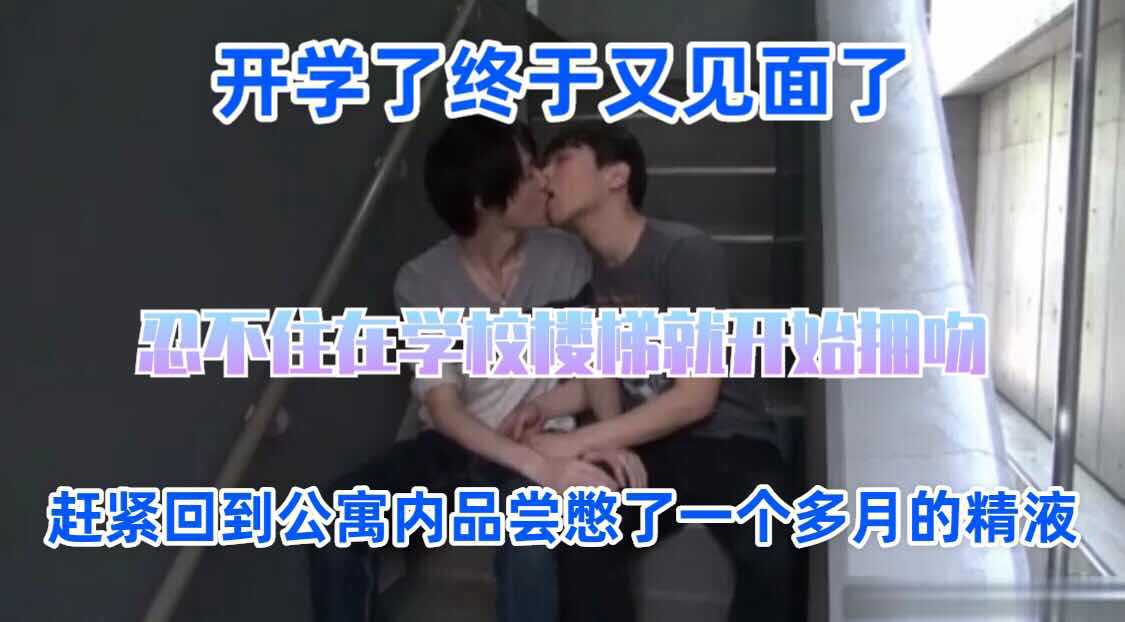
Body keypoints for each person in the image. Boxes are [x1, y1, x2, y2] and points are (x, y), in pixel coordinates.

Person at [307, 117, 641, 622]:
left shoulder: (566, 258)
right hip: (454, 448)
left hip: (544, 436)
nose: (544, 180)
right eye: (528, 173)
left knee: (530, 546)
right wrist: (536, 468)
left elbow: (594, 364)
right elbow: (444, 409)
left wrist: (609, 440)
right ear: (485, 200)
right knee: (330, 519)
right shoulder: (422, 281)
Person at [504, 121, 799, 621]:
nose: (544, 176)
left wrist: (576, 442)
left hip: (728, 440)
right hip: (652, 447)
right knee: (582, 529)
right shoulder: (594, 276)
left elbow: (695, 397)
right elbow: (612, 376)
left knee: (773, 544)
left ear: (616, 176)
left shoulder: (685, 253)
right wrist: (540, 407)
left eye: (561, 160)